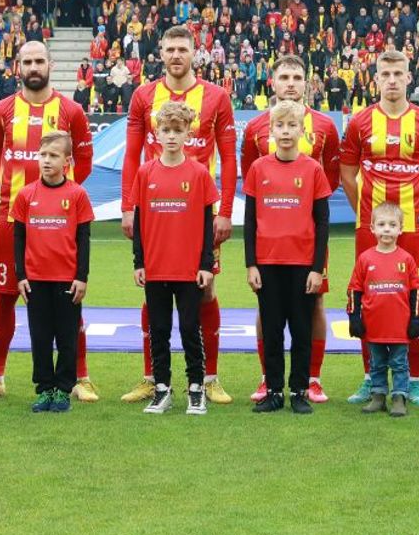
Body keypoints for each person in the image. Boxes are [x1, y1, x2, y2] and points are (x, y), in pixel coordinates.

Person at [0, 41, 98, 403]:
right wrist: (19, 195)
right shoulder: (1, 110)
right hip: (11, 219)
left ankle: (80, 378)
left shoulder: (72, 111)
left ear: (50, 64)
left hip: (59, 222)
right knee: (4, 297)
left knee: (69, 299)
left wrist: (59, 197)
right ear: (18, 66)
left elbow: (84, 161)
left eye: (39, 60)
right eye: (27, 61)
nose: (33, 67)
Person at [120, 25, 237, 406]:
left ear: (194, 53)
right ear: (160, 52)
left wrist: (225, 212)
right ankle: (152, 377)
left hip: (197, 217)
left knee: (205, 290)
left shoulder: (217, 96)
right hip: (156, 214)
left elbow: (229, 158)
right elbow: (131, 155)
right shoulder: (143, 95)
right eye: (169, 49)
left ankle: (209, 378)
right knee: (152, 289)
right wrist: (127, 207)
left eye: (182, 49)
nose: (175, 55)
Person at [340, 50, 419, 405]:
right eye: (385, 74)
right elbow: (347, 173)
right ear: (375, 79)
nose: (392, 80)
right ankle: (371, 380)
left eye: (398, 74)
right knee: (369, 300)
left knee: (415, 299)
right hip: (370, 228)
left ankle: (413, 381)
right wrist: (366, 215)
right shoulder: (360, 122)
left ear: (409, 77)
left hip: (413, 228)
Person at [240, 56, 340, 404]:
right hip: (269, 245)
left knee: (315, 302)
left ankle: (312, 378)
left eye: (298, 77)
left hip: (307, 240)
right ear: (273, 81)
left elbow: (331, 178)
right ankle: (267, 378)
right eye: (284, 77)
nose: (291, 83)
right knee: (266, 306)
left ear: (307, 82)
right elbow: (250, 180)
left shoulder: (325, 126)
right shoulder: (255, 127)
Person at [130, 102, 217, 416]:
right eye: (165, 130)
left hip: (188, 269)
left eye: (177, 130)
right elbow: (139, 221)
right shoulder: (145, 172)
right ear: (156, 133)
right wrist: (138, 262)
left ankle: (196, 389)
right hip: (155, 268)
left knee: (190, 329)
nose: (170, 136)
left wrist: (206, 265)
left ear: (187, 134)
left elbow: (207, 224)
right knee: (159, 330)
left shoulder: (199, 173)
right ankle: (162, 389)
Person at [13, 132, 94, 414]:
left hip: (67, 279)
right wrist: (20, 276)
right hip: (35, 280)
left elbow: (83, 239)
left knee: (67, 337)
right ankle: (44, 388)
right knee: (40, 337)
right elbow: (19, 238)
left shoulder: (77, 194)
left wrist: (81, 277)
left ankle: (63, 389)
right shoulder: (26, 194)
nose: (46, 161)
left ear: (67, 161)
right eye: (43, 155)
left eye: (53, 156)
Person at [347, 203, 419, 418]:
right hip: (374, 326)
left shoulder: (406, 259)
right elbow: (354, 290)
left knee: (399, 363)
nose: (387, 229)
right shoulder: (365, 259)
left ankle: (399, 397)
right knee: (377, 363)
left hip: (399, 326)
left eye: (392, 225)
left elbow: (417, 292)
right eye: (381, 224)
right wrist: (354, 317)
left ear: (401, 229)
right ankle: (378, 396)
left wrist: (415, 319)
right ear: (372, 228)